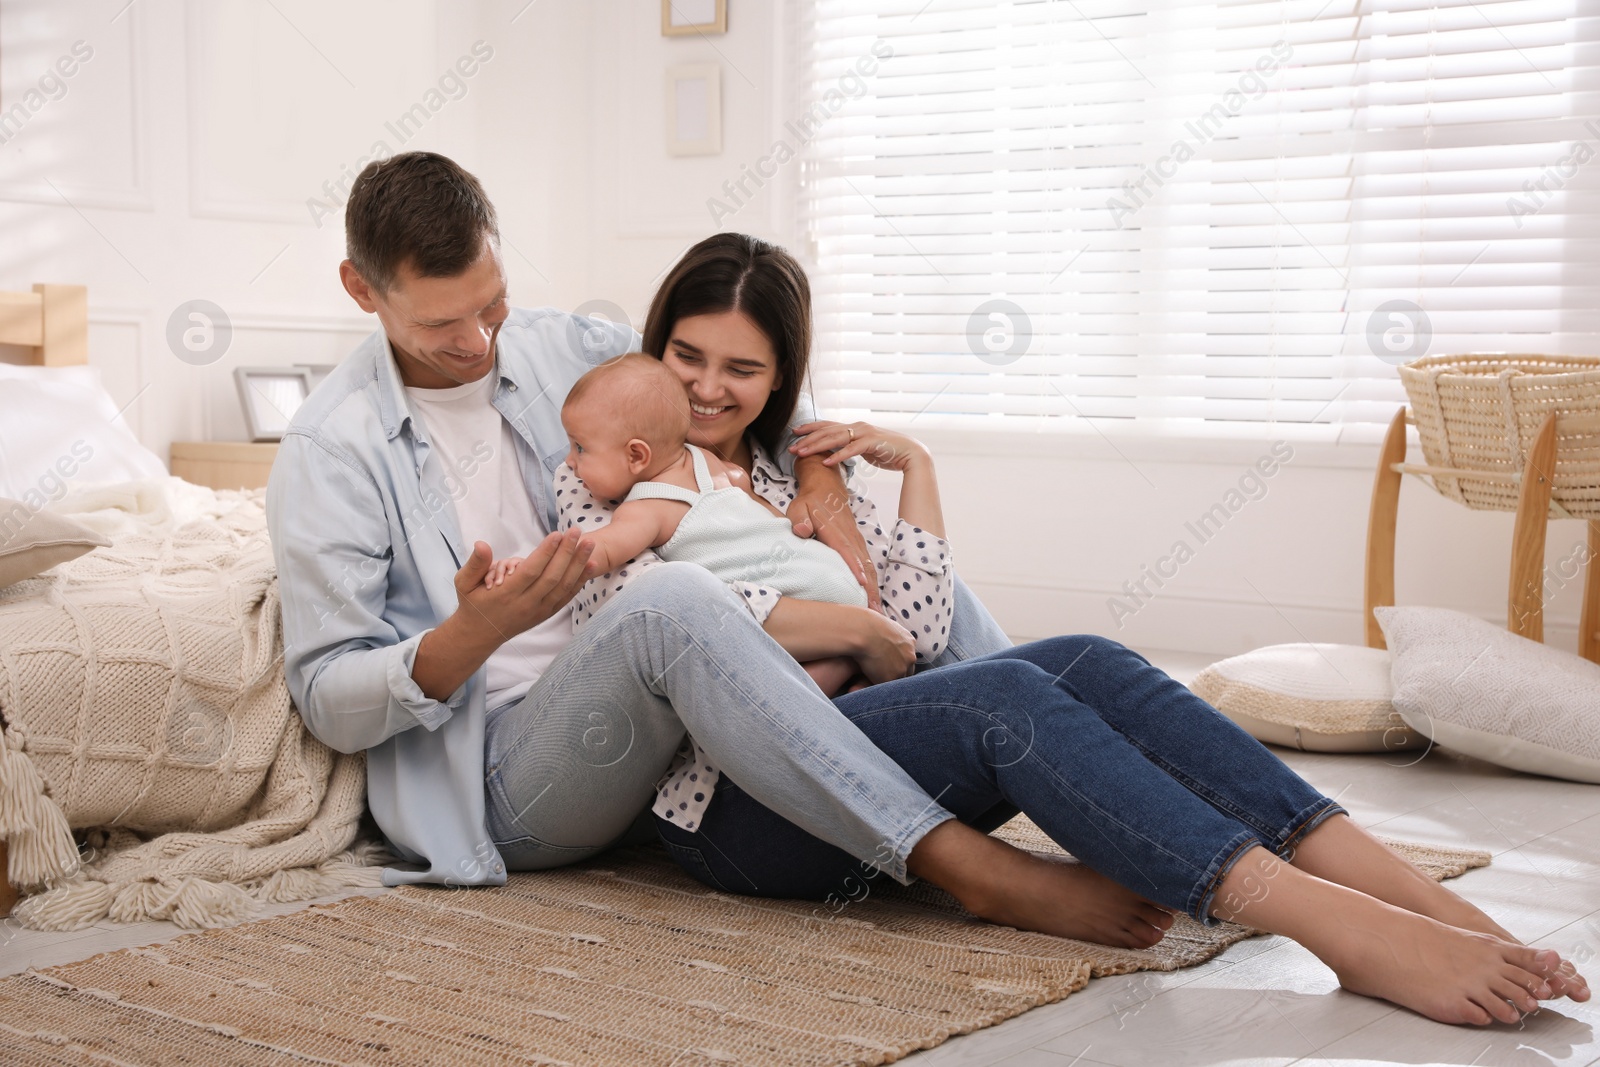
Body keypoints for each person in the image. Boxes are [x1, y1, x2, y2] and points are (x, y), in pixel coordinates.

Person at [552, 230, 1591, 1027]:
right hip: (739, 808)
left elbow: (910, 629)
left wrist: (915, 469)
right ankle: (1334, 927)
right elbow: (656, 627)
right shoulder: (605, 471)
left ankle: (1405, 894)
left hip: (873, 755)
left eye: (740, 368)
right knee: (1003, 695)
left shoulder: (801, 473)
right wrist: (849, 633)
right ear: (656, 348)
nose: (705, 387)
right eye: (687, 355)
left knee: (1091, 658)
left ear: (780, 378)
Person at [264, 152, 1155, 970]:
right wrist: (468, 634)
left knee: (926, 590)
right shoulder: (328, 449)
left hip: (646, 723)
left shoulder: (556, 345)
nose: (478, 339)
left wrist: (821, 480)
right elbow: (331, 699)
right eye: (442, 323)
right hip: (505, 773)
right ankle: (967, 865)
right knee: (674, 601)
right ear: (360, 290)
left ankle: (1126, 778)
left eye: (491, 303)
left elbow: (738, 386)